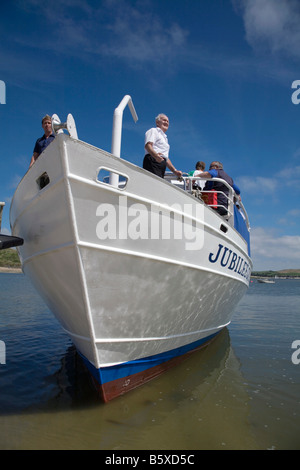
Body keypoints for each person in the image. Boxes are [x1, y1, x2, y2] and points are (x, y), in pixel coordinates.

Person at [143, 114, 182, 179]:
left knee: (158, 184)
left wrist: (175, 171)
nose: (166, 122)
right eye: (164, 120)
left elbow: (166, 158)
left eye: (167, 121)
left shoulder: (165, 138)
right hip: (153, 160)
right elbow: (148, 145)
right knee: (153, 183)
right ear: (157, 122)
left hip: (161, 163)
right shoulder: (153, 131)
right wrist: (156, 156)